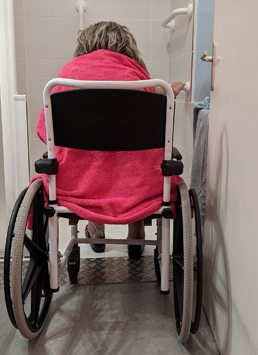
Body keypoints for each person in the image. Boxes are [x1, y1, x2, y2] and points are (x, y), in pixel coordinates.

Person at [35, 21, 184, 259]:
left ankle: (95, 229)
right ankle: (136, 229)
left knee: (88, 164)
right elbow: (159, 135)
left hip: (78, 187)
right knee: (131, 163)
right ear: (127, 47)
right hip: (137, 189)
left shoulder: (65, 79)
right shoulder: (142, 81)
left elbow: (44, 133)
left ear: (86, 45)